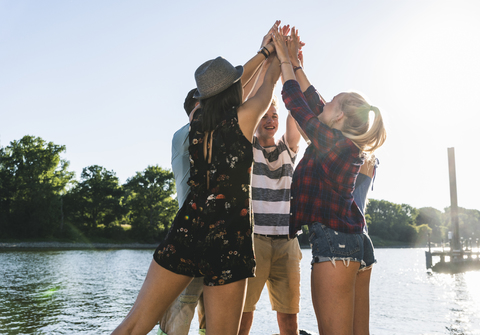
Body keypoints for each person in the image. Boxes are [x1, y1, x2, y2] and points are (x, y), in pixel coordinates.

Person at [111, 23, 281, 335]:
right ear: (234, 90)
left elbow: (237, 84)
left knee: (134, 325)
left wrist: (263, 52)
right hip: (229, 234)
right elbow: (268, 83)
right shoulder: (243, 121)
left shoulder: (197, 122)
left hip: (188, 225)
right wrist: (278, 53)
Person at [272, 27, 387, 335]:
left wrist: (284, 58)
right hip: (356, 242)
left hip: (337, 244)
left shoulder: (333, 144)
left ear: (338, 119)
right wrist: (296, 63)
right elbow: (313, 100)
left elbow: (297, 102)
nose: (325, 102)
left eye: (332, 102)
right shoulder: (341, 142)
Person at [238, 87, 302, 335]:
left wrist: (292, 70)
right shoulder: (248, 147)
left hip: (287, 243)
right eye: (264, 115)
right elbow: (248, 105)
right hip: (254, 242)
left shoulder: (288, 147)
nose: (270, 120)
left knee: (289, 318)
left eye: (274, 116)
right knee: (244, 314)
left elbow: (295, 111)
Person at [158, 88, 205, 335]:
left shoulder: (216, 139)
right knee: (182, 308)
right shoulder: (182, 136)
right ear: (192, 110)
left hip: (217, 239)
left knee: (212, 315)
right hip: (190, 236)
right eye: (201, 106)